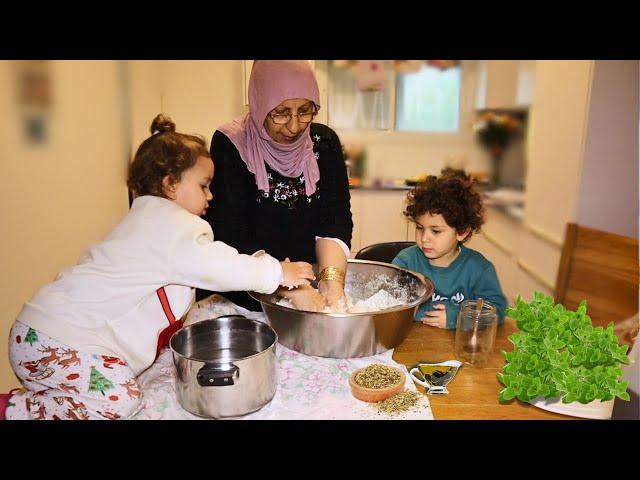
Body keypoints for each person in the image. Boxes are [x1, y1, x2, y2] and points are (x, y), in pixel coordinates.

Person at [1, 114, 314, 420]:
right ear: (171, 185)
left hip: (42, 333)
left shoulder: (144, 223)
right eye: (204, 185)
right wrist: (276, 273)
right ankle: (11, 410)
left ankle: (41, 403)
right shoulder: (172, 226)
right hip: (58, 339)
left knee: (93, 397)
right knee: (122, 401)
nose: (211, 195)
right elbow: (220, 265)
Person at [198, 60, 352, 312]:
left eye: (305, 111)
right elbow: (229, 233)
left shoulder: (323, 143)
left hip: (307, 288)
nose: (294, 126)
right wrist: (288, 286)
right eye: (280, 113)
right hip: (243, 299)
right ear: (260, 104)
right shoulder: (231, 144)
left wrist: (331, 283)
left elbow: (335, 221)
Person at [392, 169, 507, 329]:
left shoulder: (479, 269)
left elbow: (498, 311)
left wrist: (458, 318)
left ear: (462, 232)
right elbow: (392, 304)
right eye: (420, 228)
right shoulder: (406, 262)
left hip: (457, 349)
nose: (424, 238)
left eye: (436, 231)